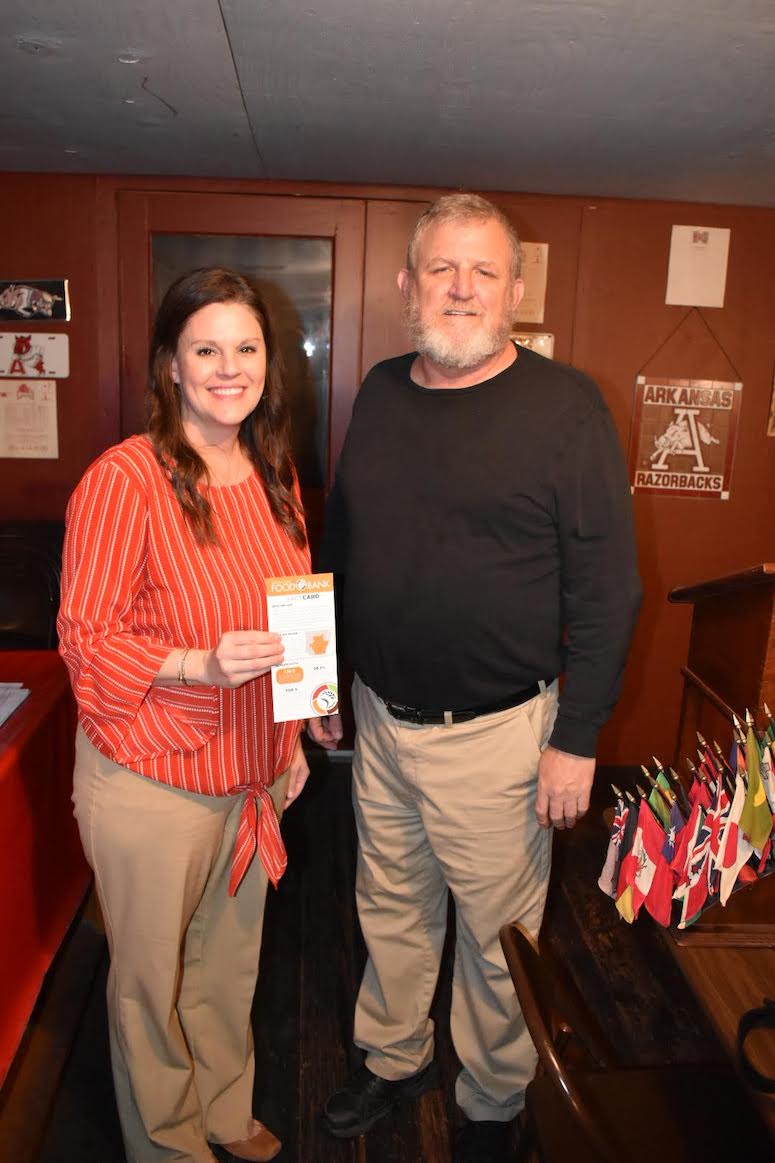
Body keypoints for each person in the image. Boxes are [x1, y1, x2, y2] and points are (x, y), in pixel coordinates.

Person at [309, 194, 642, 1163]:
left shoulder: (564, 405)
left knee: (499, 938)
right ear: (408, 285)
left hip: (499, 734)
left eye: (482, 272)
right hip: (378, 716)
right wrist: (324, 679)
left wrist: (575, 736)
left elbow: (609, 588)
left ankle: (492, 1099)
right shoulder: (377, 388)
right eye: (441, 270)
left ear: (515, 290)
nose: (460, 289)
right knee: (391, 903)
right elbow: (341, 546)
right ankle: (392, 1053)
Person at [58, 267, 311, 1163]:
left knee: (224, 969)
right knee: (149, 984)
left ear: (268, 365)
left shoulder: (273, 475)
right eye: (206, 348)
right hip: (151, 780)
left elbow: (292, 616)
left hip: (251, 777)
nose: (228, 367)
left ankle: (223, 1109)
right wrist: (197, 662)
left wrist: (297, 726)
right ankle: (168, 1143)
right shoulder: (126, 478)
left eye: (246, 349)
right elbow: (86, 640)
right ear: (170, 364)